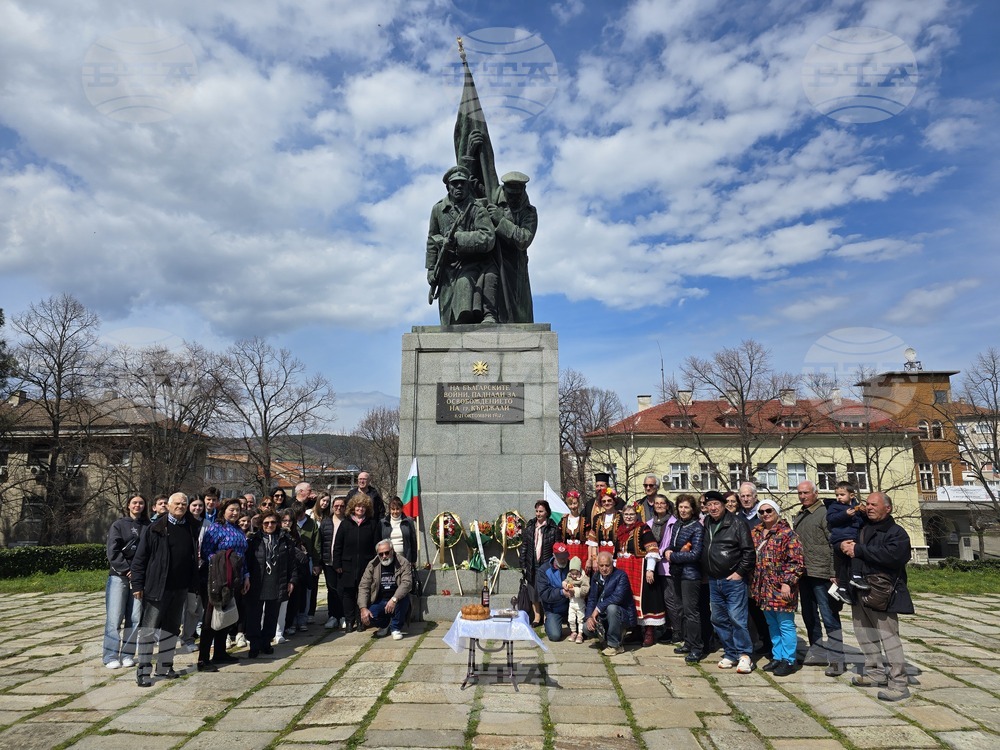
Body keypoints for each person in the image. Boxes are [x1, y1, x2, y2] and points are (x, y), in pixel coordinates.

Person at [840, 492, 915, 701]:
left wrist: (859, 550)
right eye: (868, 504)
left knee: (889, 638)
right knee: (864, 634)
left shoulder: (896, 532)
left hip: (883, 592)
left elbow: (893, 556)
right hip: (859, 589)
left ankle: (899, 684)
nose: (869, 507)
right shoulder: (862, 527)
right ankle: (875, 673)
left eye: (874, 504)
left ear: (888, 508)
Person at [130, 492, 200, 686]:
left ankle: (164, 666)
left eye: (184, 504)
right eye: (177, 503)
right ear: (168, 506)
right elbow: (140, 559)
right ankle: (143, 671)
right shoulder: (155, 528)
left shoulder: (192, 527)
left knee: (171, 630)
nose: (181, 507)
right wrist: (137, 584)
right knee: (148, 630)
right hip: (157, 588)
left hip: (180, 588)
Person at [426, 165, 498, 325]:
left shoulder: (476, 209)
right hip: (446, 269)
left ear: (468, 185)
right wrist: (431, 269)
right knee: (447, 320)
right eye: (455, 183)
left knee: (463, 306)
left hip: (472, 265)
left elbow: (488, 237)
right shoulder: (438, 209)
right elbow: (431, 240)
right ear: (448, 186)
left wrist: (459, 238)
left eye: (462, 183)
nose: (459, 186)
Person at [792, 480, 845, 676]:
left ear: (815, 493)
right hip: (804, 573)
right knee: (809, 615)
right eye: (800, 493)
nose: (802, 496)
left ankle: (838, 659)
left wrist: (834, 572)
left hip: (823, 574)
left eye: (806, 493)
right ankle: (817, 651)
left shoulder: (824, 514)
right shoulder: (801, 515)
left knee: (829, 617)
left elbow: (834, 544)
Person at [701, 490, 756, 674]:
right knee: (718, 619)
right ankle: (730, 652)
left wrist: (740, 573)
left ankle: (745, 655)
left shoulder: (737, 523)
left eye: (716, 504)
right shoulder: (708, 522)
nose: (713, 507)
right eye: (709, 505)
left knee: (737, 618)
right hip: (714, 580)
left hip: (733, 580)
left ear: (724, 505)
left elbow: (749, 551)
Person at [750, 499, 805, 677]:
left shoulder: (788, 534)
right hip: (763, 587)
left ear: (776, 512)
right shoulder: (756, 533)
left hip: (781, 586)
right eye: (762, 512)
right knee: (772, 623)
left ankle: (789, 659)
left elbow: (796, 561)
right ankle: (778, 656)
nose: (765, 514)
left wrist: (788, 582)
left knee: (785, 624)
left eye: (769, 511)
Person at [198, 497, 249, 671]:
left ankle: (220, 652)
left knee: (226, 617)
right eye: (231, 510)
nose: (235, 513)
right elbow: (206, 553)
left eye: (237, 510)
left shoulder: (239, 530)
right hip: (217, 579)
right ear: (224, 511)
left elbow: (244, 555)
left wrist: (246, 576)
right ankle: (203, 658)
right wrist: (223, 563)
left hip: (235, 579)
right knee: (211, 619)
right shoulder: (216, 528)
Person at [244, 511, 299, 658]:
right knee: (254, 615)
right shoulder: (253, 540)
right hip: (257, 583)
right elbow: (247, 562)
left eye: (273, 522)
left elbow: (292, 563)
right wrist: (246, 579)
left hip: (277, 581)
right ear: (261, 524)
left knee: (272, 615)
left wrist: (292, 581)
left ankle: (266, 642)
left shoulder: (285, 539)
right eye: (266, 523)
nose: (270, 525)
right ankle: (254, 644)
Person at [103, 495, 149, 670]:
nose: (138, 505)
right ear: (128, 505)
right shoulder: (118, 525)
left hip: (139, 579)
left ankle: (128, 654)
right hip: (119, 577)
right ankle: (110, 655)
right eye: (135, 502)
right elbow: (112, 551)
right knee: (115, 618)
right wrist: (126, 569)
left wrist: (138, 573)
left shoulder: (148, 526)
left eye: (141, 503)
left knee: (135, 618)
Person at [487, 171, 537, 323]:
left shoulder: (529, 213)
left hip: (515, 268)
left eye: (517, 195)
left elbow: (523, 239)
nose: (514, 199)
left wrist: (500, 220)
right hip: (493, 260)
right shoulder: (494, 200)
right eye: (511, 195)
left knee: (516, 316)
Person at [616, 504, 665, 646]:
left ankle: (649, 632)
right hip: (624, 568)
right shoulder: (620, 530)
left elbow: (652, 549)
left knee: (645, 600)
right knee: (628, 598)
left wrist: (650, 570)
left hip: (639, 568)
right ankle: (636, 630)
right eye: (626, 515)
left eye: (631, 514)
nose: (629, 517)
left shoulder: (643, 528)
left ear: (636, 515)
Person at [665, 495, 705, 663]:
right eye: (680, 507)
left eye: (686, 507)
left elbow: (695, 554)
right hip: (678, 573)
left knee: (691, 612)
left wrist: (673, 556)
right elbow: (674, 544)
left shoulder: (696, 527)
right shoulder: (678, 525)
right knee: (682, 610)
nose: (683, 510)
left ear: (692, 509)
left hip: (690, 575)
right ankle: (688, 642)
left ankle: (697, 647)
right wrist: (667, 550)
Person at [332, 494, 378, 631]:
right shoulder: (345, 524)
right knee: (348, 594)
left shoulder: (372, 524)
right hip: (347, 565)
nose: (360, 509)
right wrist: (337, 564)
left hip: (366, 565)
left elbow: (377, 545)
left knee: (363, 593)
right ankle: (349, 621)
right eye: (358, 506)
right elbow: (337, 546)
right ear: (353, 507)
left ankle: (362, 620)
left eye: (363, 506)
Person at [358, 540, 414, 640]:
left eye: (387, 553)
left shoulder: (403, 562)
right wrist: (363, 608)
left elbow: (407, 583)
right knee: (368, 618)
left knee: (403, 599)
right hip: (380, 599)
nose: (384, 556)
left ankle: (395, 627)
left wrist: (394, 599)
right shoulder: (372, 565)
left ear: (392, 551)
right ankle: (385, 624)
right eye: (381, 554)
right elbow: (364, 586)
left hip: (397, 598)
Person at [583, 551, 636, 656]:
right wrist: (589, 617)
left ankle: (614, 645)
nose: (604, 568)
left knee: (612, 608)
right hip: (603, 615)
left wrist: (597, 609)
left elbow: (617, 597)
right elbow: (592, 599)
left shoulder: (621, 576)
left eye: (607, 565)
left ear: (612, 564)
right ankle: (607, 638)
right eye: (601, 565)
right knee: (586, 628)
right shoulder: (595, 577)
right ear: (597, 565)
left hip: (621, 614)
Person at [520, 500, 562, 627]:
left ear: (547, 512)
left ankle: (546, 615)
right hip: (532, 563)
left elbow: (557, 546)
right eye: (537, 511)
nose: (538, 514)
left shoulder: (553, 529)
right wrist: (522, 562)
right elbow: (524, 546)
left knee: (545, 589)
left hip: (546, 563)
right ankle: (537, 616)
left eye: (541, 511)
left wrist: (556, 562)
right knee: (533, 590)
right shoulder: (530, 527)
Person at [648, 493, 682, 643]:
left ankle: (677, 630)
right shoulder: (649, 523)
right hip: (653, 567)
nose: (660, 505)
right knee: (661, 600)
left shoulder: (674, 523)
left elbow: (673, 543)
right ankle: (667, 629)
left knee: (671, 600)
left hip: (668, 566)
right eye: (657, 503)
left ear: (667, 505)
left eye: (662, 503)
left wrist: (658, 552)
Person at [826, 481, 868, 600]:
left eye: (842, 494)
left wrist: (863, 513)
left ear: (852, 495)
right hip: (841, 536)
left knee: (845, 564)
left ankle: (842, 588)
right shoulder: (834, 506)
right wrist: (845, 514)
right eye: (837, 495)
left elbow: (860, 522)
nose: (839, 497)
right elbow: (831, 519)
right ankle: (856, 576)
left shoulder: (856, 506)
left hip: (854, 535)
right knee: (856, 552)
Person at [292, 499, 322, 629]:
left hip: (307, 560)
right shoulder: (291, 523)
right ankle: (292, 619)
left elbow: (316, 545)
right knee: (294, 590)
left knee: (307, 589)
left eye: (301, 515)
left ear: (305, 512)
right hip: (293, 561)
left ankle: (303, 617)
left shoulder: (312, 524)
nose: (299, 518)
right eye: (296, 516)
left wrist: (316, 563)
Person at [321, 496, 348, 629]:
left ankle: (343, 615)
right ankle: (333, 616)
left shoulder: (348, 522)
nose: (338, 508)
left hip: (343, 563)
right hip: (328, 562)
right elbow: (321, 542)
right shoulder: (326, 522)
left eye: (341, 506)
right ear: (332, 507)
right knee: (331, 590)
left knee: (342, 590)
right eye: (336, 506)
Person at [534, 542, 571, 641]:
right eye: (560, 557)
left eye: (565, 556)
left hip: (572, 607)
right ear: (554, 555)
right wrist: (561, 593)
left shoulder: (572, 566)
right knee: (555, 636)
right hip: (553, 608)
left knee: (585, 631)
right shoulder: (543, 570)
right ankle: (549, 623)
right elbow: (544, 594)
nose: (563, 560)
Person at [587, 489, 622, 570]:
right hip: (601, 553)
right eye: (604, 501)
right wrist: (595, 559)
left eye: (609, 500)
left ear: (614, 501)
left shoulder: (621, 517)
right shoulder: (597, 518)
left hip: (615, 554)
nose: (606, 503)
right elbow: (593, 541)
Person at [380, 496, 418, 566]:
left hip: (405, 558)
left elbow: (413, 541)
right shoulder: (383, 522)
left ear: (401, 509)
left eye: (397, 509)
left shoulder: (408, 521)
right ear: (390, 509)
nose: (395, 511)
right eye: (393, 509)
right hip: (388, 559)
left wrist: (413, 560)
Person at [558, 490, 589, 570]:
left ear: (578, 503)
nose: (573, 506)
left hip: (581, 553)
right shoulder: (563, 521)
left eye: (575, 503)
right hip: (567, 553)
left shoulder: (585, 521)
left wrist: (589, 559)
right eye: (570, 504)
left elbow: (589, 541)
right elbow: (559, 539)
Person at [564, 557, 590, 643]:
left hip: (580, 602)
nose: (574, 576)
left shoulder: (584, 578)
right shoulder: (569, 577)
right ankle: (573, 632)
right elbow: (566, 581)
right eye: (572, 574)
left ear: (579, 571)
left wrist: (575, 590)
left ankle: (580, 634)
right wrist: (565, 585)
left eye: (576, 574)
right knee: (571, 618)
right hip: (571, 602)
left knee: (580, 618)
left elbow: (585, 589)